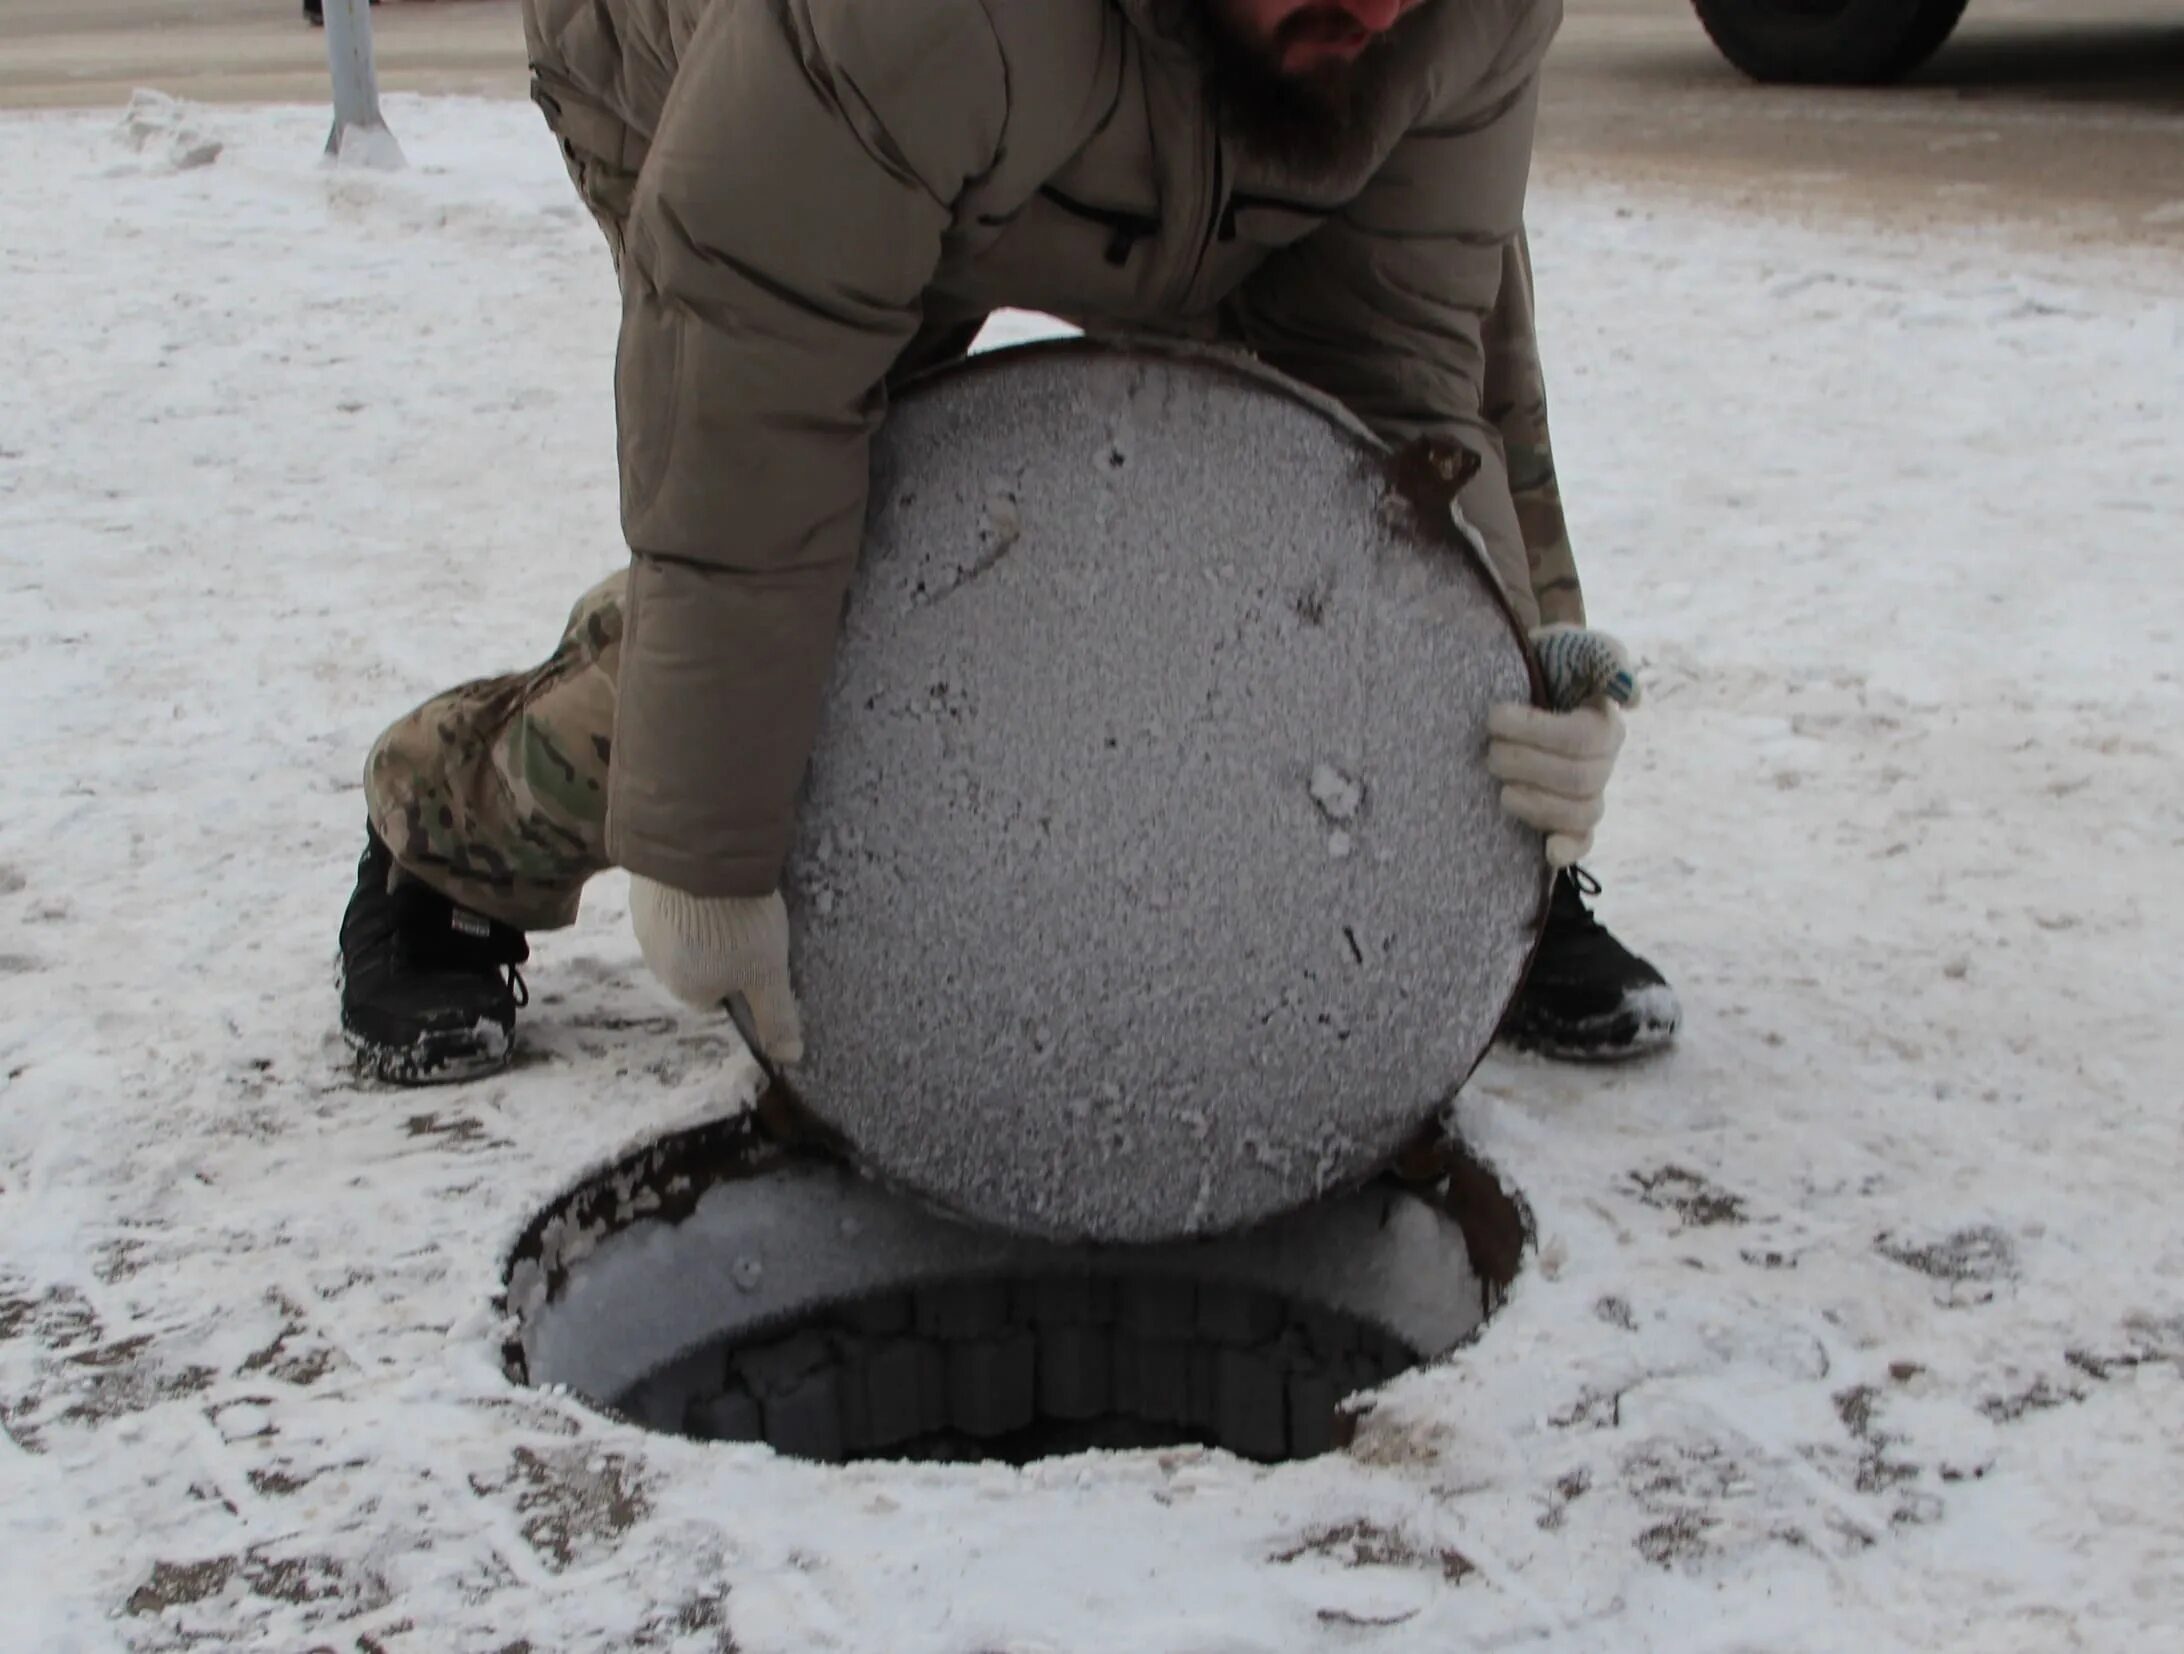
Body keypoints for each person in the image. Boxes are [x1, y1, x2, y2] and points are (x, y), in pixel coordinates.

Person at [337, 0, 1681, 1086]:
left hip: (1160, 110)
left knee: (1423, 396)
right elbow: (755, 411)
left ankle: (1503, 868)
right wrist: (709, 851)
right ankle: (449, 828)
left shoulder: (1436, 17)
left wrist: (1496, 677)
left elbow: (1399, 379)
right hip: (758, 104)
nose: (1372, 3)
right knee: (848, 598)